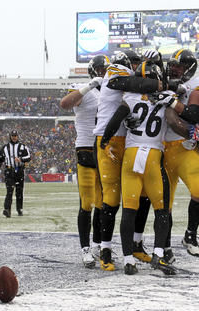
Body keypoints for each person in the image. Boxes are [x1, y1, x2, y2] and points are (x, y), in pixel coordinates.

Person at [100, 62, 175, 275]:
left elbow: (115, 120)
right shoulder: (166, 96)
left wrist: (105, 142)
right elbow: (176, 119)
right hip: (152, 155)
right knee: (161, 209)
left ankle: (128, 260)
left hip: (131, 156)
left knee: (129, 209)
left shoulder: (130, 98)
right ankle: (158, 255)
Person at [59, 54, 108, 268]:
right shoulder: (82, 87)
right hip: (87, 147)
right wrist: (90, 86)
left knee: (103, 204)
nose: (102, 73)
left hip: (106, 150)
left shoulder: (113, 91)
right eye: (99, 69)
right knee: (86, 203)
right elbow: (65, 104)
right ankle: (85, 249)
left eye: (105, 69)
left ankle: (97, 245)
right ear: (92, 70)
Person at [163, 49, 199, 258]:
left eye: (178, 66)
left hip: (184, 147)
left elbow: (193, 114)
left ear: (188, 69)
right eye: (171, 66)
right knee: (164, 204)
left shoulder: (195, 84)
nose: (172, 70)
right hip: (161, 148)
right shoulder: (162, 80)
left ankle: (190, 234)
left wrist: (174, 100)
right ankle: (164, 245)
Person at [0, 130, 31, 217]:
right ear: (10, 136)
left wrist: (21, 159)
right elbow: (0, 159)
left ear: (18, 136)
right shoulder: (5, 148)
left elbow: (29, 157)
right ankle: (7, 209)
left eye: (15, 135)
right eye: (12, 136)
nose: (14, 137)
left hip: (19, 171)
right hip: (9, 171)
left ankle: (19, 209)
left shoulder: (23, 147)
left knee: (19, 191)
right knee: (9, 191)